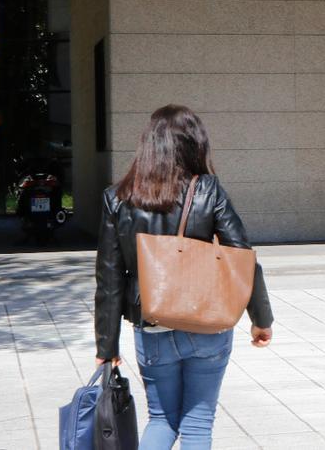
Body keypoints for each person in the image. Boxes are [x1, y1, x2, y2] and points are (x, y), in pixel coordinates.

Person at [94, 105, 273, 450]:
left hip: (152, 324)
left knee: (161, 420)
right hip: (205, 323)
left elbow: (109, 277)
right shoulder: (208, 190)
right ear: (195, 144)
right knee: (197, 426)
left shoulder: (118, 198)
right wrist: (261, 319)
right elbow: (244, 257)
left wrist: (107, 345)